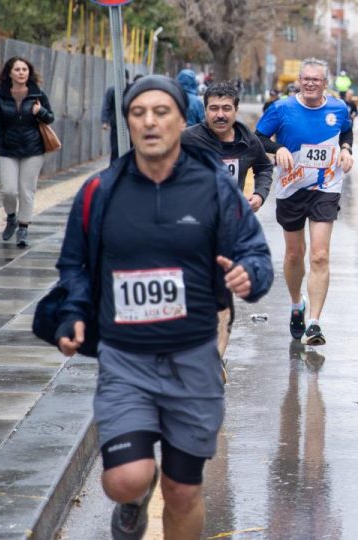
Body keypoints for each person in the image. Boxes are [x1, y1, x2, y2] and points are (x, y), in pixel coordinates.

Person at [54, 75, 273, 539]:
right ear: (127, 122)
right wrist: (72, 314)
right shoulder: (100, 192)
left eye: (161, 112)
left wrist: (249, 274)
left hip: (194, 358)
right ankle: (137, 492)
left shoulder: (213, 187)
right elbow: (74, 267)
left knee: (183, 491)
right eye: (139, 113)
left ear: (179, 120)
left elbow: (255, 253)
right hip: (125, 358)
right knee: (124, 478)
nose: (150, 122)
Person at [255, 58, 354, 345]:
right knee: (294, 254)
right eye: (306, 79)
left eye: (317, 79)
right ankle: (297, 304)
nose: (311, 83)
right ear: (299, 80)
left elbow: (346, 130)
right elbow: (258, 137)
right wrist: (278, 148)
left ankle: (314, 323)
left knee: (320, 255)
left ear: (325, 82)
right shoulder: (282, 108)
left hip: (326, 186)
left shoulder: (338, 108)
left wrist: (346, 149)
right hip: (291, 187)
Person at [181, 81, 274, 360]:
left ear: (235, 110)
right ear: (205, 111)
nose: (219, 115)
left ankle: (216, 359)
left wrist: (258, 195)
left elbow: (264, 167)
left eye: (225, 109)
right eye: (213, 109)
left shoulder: (248, 142)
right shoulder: (188, 139)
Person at [0, 56, 55, 248]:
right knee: (8, 190)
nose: (21, 72)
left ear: (29, 72)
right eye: (17, 69)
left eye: (24, 69)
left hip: (33, 149)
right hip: (8, 149)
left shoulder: (37, 94)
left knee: (26, 191)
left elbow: (50, 118)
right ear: (10, 73)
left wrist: (40, 112)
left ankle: (23, 228)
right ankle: (11, 217)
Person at [101, 69, 131, 163]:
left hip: (129, 125)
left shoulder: (130, 89)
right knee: (115, 150)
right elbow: (106, 106)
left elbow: (106, 106)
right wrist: (105, 121)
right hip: (116, 125)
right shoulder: (113, 90)